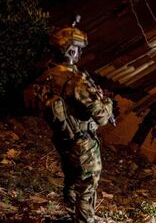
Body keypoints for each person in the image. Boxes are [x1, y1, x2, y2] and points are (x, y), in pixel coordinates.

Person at [32, 27, 114, 222]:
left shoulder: (48, 74)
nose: (80, 53)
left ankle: (70, 215)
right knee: (87, 187)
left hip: (64, 139)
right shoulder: (75, 81)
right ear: (70, 50)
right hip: (83, 143)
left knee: (71, 180)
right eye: (78, 49)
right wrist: (108, 103)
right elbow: (102, 117)